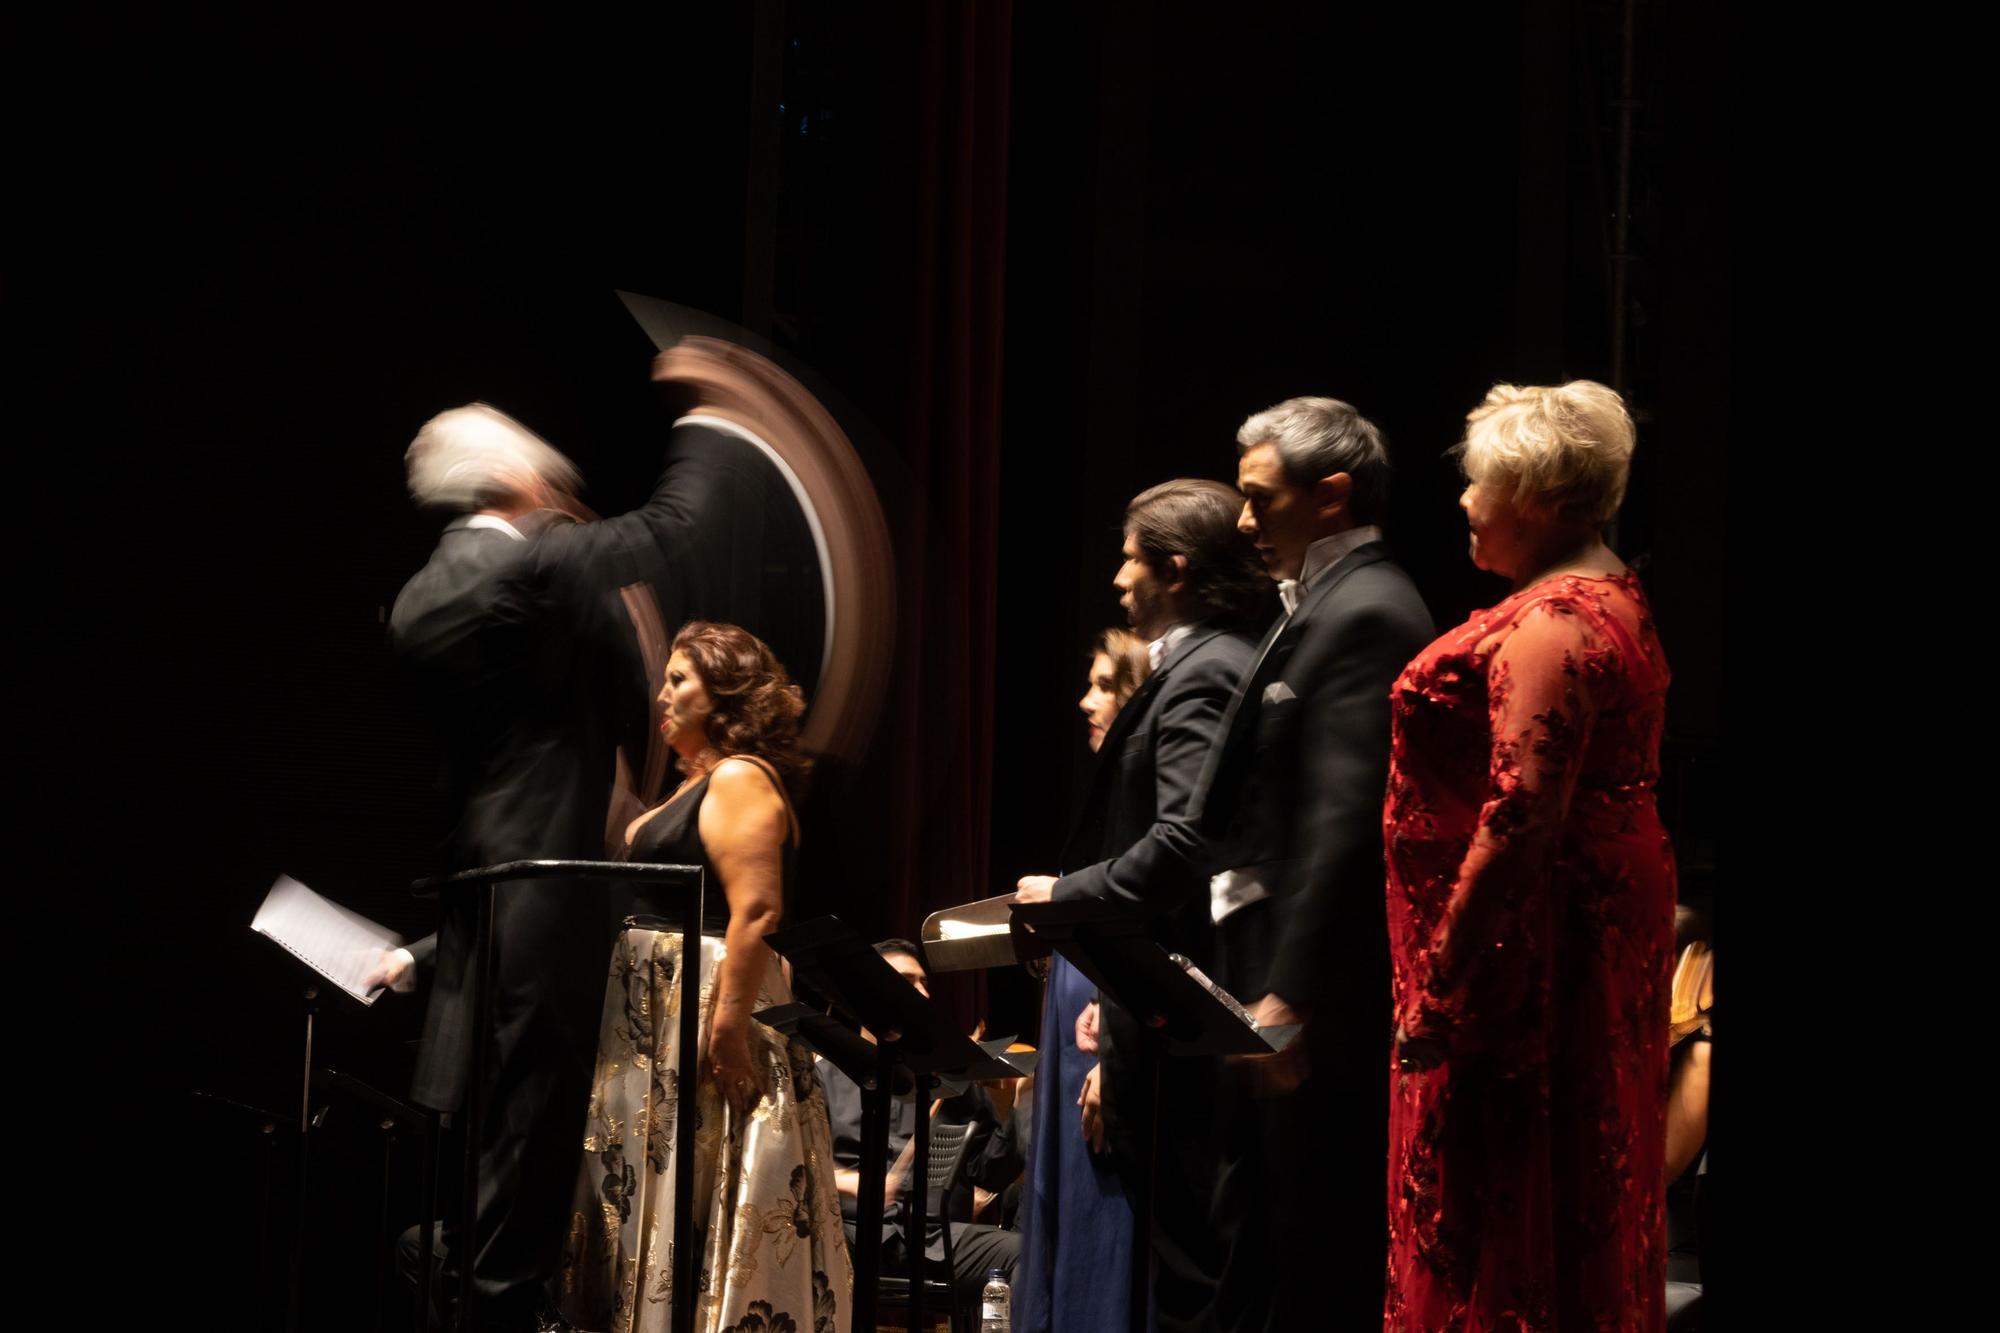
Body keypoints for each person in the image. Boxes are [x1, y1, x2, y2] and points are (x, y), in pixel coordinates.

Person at [383, 402, 747, 1330]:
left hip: (485, 901)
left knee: (492, 1156)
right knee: (531, 1158)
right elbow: (674, 524)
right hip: (544, 905)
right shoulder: (532, 567)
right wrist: (714, 412)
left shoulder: (421, 599)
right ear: (518, 481)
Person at [1382, 381, 1676, 1330]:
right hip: (1577, 929)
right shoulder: (1613, 595)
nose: (1465, 501)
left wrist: (1442, 988)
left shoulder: (1554, 623)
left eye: (1482, 483)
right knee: (1573, 1164)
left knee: (1508, 1185)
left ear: (1538, 498)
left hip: (1526, 957)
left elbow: (1520, 816)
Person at [1185, 396, 1434, 1331]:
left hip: (1314, 991)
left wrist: (1289, 994)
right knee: (1260, 1228)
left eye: (1261, 498)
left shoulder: (1369, 609)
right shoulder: (1323, 600)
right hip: (1269, 971)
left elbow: (1348, 820)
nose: (1244, 520)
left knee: (1308, 1239)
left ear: (1331, 495)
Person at [1017, 478, 1270, 1332]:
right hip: (1156, 1006)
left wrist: (1066, 895)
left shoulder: (1206, 671)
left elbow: (1185, 842)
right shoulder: (1204, 662)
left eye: (1131, 558)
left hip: (1181, 1017)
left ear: (1177, 569)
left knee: (1183, 1275)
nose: (1119, 577)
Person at [558, 621, 851, 1333]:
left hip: (703, 1006)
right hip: (652, 1015)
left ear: (725, 694)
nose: (663, 694)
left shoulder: (740, 776)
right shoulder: (693, 783)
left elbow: (757, 910)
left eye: (679, 679)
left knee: (705, 1181)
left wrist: (725, 1033)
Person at [1012, 627, 1150, 1333]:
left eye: (1104, 686)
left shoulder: (1148, 801)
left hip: (1100, 1042)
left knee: (1102, 1219)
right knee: (1060, 1210)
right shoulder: (1113, 795)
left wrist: (1114, 1057)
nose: (1085, 701)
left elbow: (1147, 929)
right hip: (1071, 1031)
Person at [817, 939, 1024, 1322]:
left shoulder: (950, 1079)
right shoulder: (822, 1076)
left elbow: (990, 1173)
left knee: (1027, 1253)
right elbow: (796, 1167)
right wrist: (849, 1182)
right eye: (907, 982)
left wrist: (1023, 1106)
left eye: (924, 983)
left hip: (936, 1241)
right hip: (848, 1236)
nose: (923, 994)